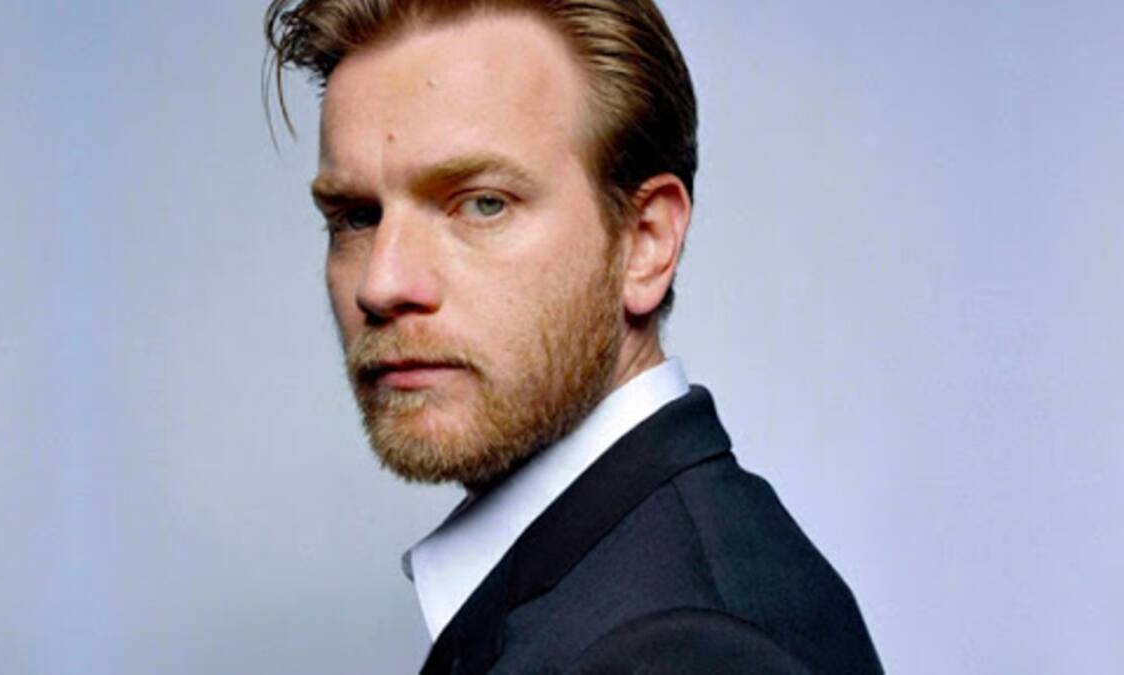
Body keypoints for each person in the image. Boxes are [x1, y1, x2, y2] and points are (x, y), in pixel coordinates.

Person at [264, 1, 882, 672]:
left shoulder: (684, 647)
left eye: (483, 203)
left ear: (645, 242)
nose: (381, 284)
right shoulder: (622, 589)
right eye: (356, 217)